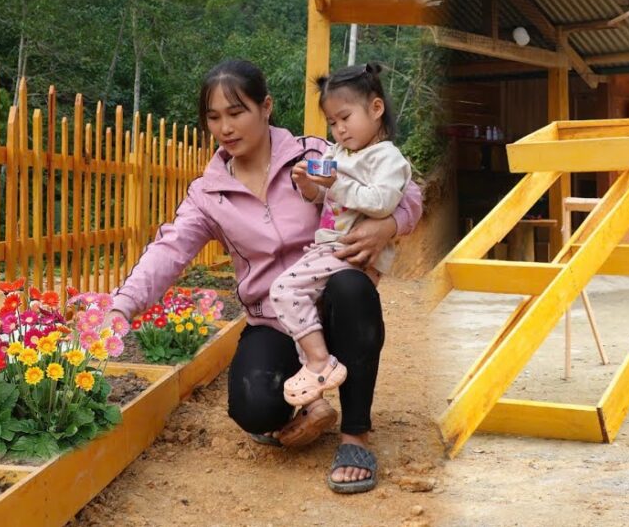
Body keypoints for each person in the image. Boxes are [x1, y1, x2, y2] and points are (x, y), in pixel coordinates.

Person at [106, 59, 422, 492]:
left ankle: (355, 437)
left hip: (333, 306)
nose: (225, 127)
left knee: (352, 288)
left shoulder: (315, 155)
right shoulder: (209, 193)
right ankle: (307, 409)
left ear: (266, 107)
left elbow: (408, 189)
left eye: (237, 113)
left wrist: (389, 225)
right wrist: (122, 305)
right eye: (214, 118)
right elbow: (170, 248)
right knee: (253, 409)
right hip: (272, 319)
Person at [271, 63, 411, 420]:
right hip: (328, 246)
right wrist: (309, 184)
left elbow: (383, 201)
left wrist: (336, 183)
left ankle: (319, 362)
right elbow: (325, 199)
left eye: (345, 117)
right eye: (333, 122)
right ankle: (317, 370)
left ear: (376, 109)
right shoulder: (337, 154)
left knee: (284, 291)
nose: (339, 129)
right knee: (298, 299)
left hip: (348, 250)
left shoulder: (387, 158)